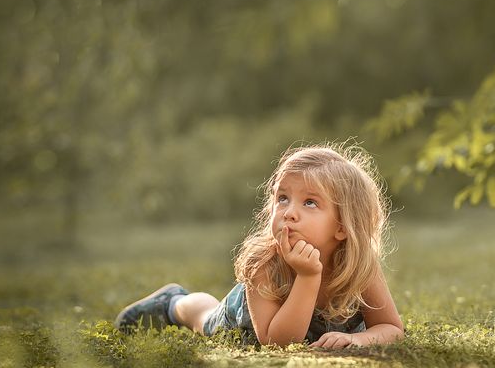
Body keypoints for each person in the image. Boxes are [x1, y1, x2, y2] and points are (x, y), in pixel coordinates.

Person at [114, 143, 404, 348]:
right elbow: (278, 344)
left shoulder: (358, 264)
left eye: (310, 202)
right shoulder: (263, 262)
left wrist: (357, 339)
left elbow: (391, 328)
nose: (289, 211)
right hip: (245, 320)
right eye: (283, 198)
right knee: (204, 319)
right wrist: (307, 276)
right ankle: (173, 303)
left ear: (342, 226)